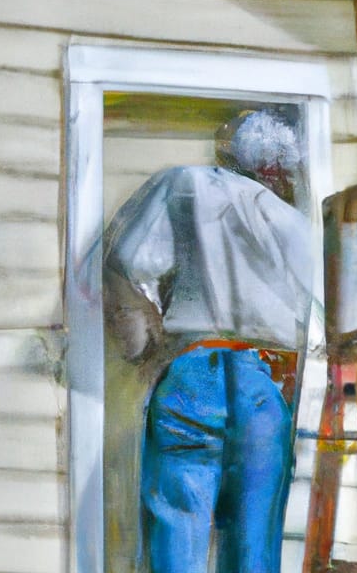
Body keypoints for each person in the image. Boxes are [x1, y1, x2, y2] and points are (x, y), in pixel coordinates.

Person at [103, 110, 314, 573]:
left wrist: (144, 344)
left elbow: (127, 261)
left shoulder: (185, 185)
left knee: (177, 532)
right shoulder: (292, 222)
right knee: (253, 545)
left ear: (226, 151)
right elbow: (315, 313)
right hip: (262, 385)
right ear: (276, 169)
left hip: (191, 372)